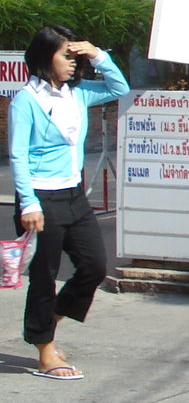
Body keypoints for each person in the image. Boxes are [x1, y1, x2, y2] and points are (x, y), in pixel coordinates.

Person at [9, 26, 129, 380]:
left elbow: (119, 88)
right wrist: (28, 203)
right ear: (47, 58)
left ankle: (44, 324)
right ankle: (46, 352)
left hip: (74, 194)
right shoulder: (26, 101)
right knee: (44, 277)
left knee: (94, 266)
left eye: (76, 57)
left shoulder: (76, 94)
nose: (74, 64)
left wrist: (97, 54)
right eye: (67, 56)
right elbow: (17, 156)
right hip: (41, 199)